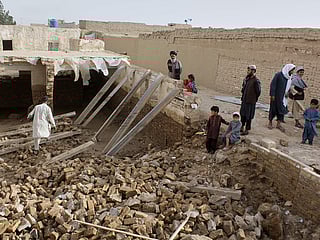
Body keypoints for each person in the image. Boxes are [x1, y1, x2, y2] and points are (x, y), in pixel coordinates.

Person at [268, 64, 296, 132]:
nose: (293, 71)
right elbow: (273, 85)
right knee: (273, 109)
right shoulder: (279, 75)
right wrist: (272, 95)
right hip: (276, 96)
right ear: (288, 69)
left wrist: (288, 93)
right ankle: (270, 122)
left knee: (282, 110)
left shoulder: (290, 77)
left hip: (284, 98)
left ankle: (279, 124)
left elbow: (289, 87)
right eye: (292, 70)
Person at [240, 65, 261, 135]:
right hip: (244, 100)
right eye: (248, 70)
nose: (248, 72)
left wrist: (254, 98)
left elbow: (258, 91)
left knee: (248, 116)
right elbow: (243, 88)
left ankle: (247, 129)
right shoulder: (246, 79)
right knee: (242, 114)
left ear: (253, 71)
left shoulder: (256, 81)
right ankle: (242, 126)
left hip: (250, 101)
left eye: (249, 70)